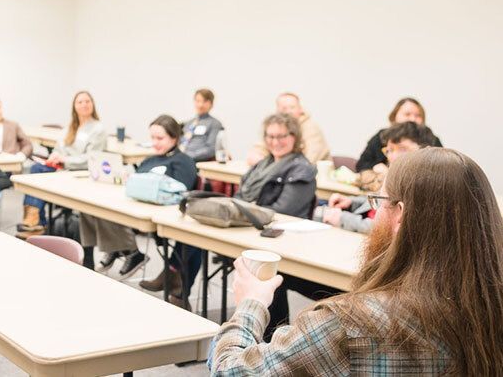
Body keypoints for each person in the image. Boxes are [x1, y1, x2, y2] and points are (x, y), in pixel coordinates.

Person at [210, 148, 503, 375]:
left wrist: (251, 304)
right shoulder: (490, 310)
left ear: (400, 214)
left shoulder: (346, 325)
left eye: (379, 201)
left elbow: (230, 370)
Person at [236, 114, 324, 336]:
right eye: (270, 136)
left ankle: (272, 339)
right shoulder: (261, 165)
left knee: (267, 274)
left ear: (294, 137)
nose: (275, 142)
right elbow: (239, 199)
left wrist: (250, 210)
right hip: (256, 236)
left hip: (288, 248)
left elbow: (284, 211)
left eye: (281, 136)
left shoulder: (302, 169)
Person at [314, 121, 435, 234]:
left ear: (424, 151)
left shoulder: (420, 187)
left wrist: (343, 218)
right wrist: (351, 202)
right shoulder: (396, 178)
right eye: (389, 150)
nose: (392, 157)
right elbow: (381, 202)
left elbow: (388, 228)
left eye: (402, 149)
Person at [16, 91, 106, 241]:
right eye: (80, 102)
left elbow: (92, 159)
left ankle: (36, 222)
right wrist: (55, 156)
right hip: (62, 167)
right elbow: (58, 148)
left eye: (87, 101)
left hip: (78, 171)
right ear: (74, 107)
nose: (84, 104)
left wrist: (64, 159)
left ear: (93, 104)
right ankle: (34, 221)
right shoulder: (70, 127)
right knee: (36, 169)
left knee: (38, 173)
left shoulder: (98, 129)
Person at [133, 116, 199, 295]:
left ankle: (175, 281)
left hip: (171, 215)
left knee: (192, 236)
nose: (154, 143)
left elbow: (181, 190)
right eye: (152, 138)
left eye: (159, 138)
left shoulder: (183, 161)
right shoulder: (149, 160)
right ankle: (174, 282)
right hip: (143, 210)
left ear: (175, 138)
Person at [355, 97, 443, 173]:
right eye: (407, 114)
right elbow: (361, 165)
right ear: (394, 117)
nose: (412, 119)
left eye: (418, 115)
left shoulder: (432, 140)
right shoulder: (382, 136)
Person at [248, 92, 330, 165]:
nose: (288, 112)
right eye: (284, 108)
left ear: (300, 109)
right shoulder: (276, 128)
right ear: (277, 111)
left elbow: (308, 161)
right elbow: (256, 153)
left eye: (292, 107)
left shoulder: (311, 129)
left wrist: (273, 167)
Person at [179, 89, 224, 163]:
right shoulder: (188, 123)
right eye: (198, 101)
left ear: (211, 104)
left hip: (195, 161)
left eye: (205, 101)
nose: (200, 105)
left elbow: (210, 149)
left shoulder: (215, 123)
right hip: (180, 158)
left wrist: (187, 156)